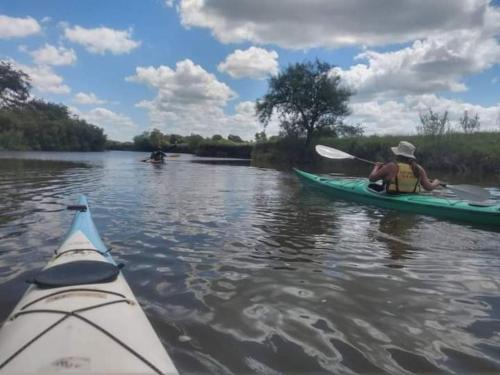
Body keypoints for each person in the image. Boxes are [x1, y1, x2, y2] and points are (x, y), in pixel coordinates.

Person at [368, 141, 441, 193]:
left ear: (398, 155)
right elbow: (429, 187)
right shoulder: (419, 168)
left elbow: (372, 178)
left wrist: (376, 167)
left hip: (393, 197)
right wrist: (436, 182)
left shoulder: (391, 166)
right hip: (412, 197)